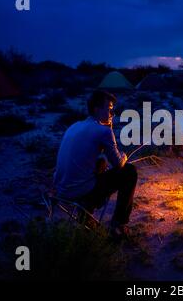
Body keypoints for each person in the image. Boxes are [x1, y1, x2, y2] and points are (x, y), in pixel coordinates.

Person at [53, 90, 137, 237]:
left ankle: (86, 210)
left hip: (61, 191)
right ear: (97, 108)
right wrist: (124, 156)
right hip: (79, 192)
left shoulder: (74, 126)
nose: (112, 114)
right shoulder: (102, 131)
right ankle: (119, 224)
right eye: (109, 109)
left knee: (101, 163)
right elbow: (118, 164)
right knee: (129, 171)